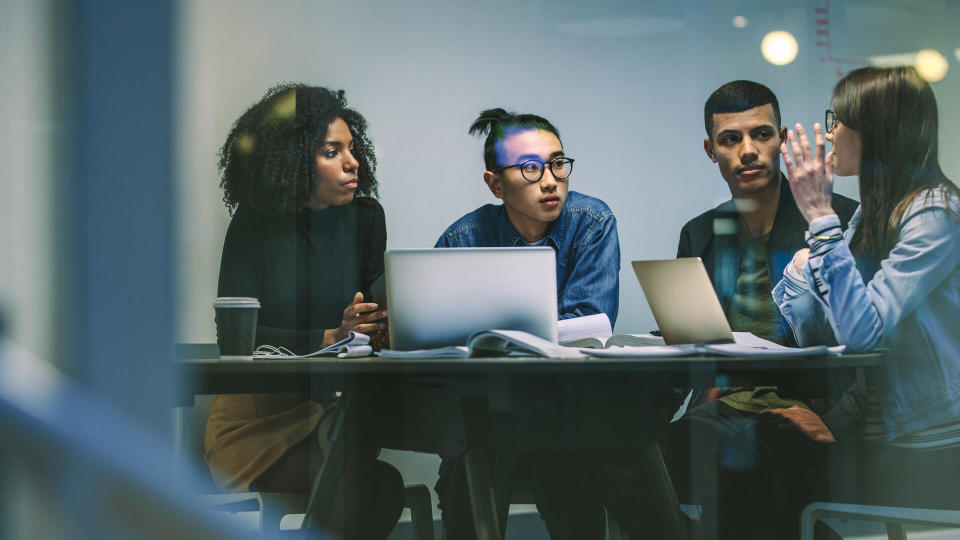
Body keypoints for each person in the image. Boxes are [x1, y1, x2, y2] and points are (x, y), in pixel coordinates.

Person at [433, 109, 681, 540]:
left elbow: (589, 322)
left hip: (573, 404)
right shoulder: (463, 239)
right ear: (495, 183)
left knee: (570, 459)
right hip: (493, 407)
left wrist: (497, 334)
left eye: (558, 163)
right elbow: (438, 335)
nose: (550, 180)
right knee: (471, 457)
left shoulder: (592, 222)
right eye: (530, 169)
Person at [203, 84, 404, 539]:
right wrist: (328, 338)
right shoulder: (253, 224)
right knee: (364, 488)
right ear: (293, 161)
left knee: (376, 481)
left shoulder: (368, 217)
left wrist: (372, 325)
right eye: (333, 152)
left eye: (352, 149)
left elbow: (371, 314)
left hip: (336, 407)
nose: (353, 163)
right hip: (257, 421)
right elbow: (236, 338)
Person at [668, 81, 859, 540]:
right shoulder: (698, 234)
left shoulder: (838, 220)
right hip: (721, 414)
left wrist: (833, 417)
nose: (748, 151)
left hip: (813, 408)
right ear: (711, 151)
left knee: (745, 464)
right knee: (624, 458)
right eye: (730, 139)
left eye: (762, 135)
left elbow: (876, 339)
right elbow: (685, 346)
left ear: (784, 138)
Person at [776, 65, 960, 510]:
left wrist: (820, 218)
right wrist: (802, 270)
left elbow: (861, 332)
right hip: (879, 426)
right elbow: (812, 332)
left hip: (932, 439)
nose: (831, 132)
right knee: (762, 458)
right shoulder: (870, 215)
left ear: (875, 132)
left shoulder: (936, 212)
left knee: (781, 484)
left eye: (839, 120)